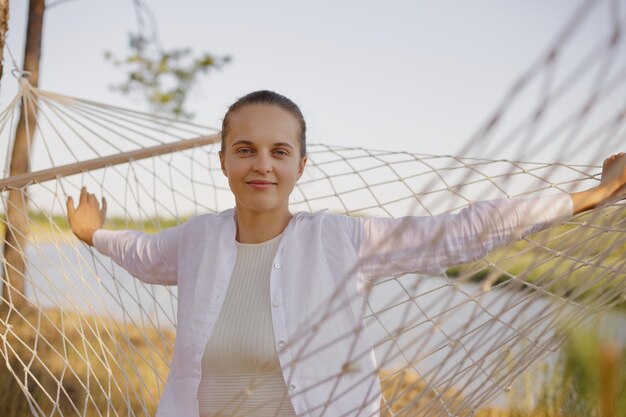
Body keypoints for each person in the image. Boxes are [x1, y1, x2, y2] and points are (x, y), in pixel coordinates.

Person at [66, 90, 626, 417]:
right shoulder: (196, 241)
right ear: (223, 161)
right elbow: (141, 253)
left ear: (300, 166)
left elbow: (462, 230)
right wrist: (92, 234)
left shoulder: (339, 241)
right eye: (246, 149)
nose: (262, 164)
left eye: (279, 151)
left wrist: (591, 197)